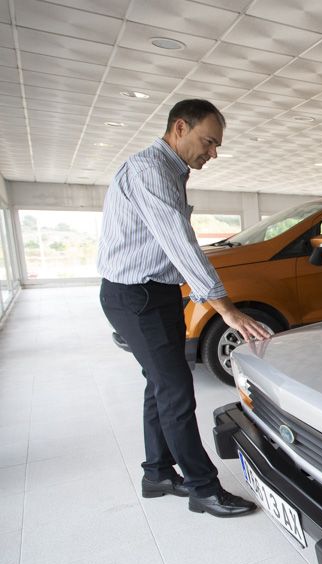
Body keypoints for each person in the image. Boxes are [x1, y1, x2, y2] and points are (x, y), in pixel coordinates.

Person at [98, 98, 270, 517]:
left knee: (160, 386)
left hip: (152, 293)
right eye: (208, 142)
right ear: (180, 128)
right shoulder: (150, 170)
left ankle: (157, 472)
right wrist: (225, 308)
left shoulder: (171, 171)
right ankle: (202, 488)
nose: (213, 153)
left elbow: (171, 247)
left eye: (216, 146)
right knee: (175, 392)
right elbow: (181, 243)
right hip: (136, 296)